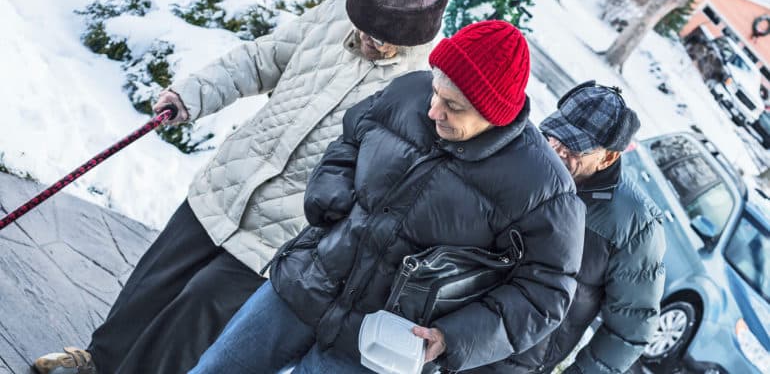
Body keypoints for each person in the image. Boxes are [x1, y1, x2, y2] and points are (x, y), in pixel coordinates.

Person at [32, 0, 448, 374]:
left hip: (287, 228)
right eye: (362, 28)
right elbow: (261, 58)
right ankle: (97, 362)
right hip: (231, 181)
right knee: (153, 283)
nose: (366, 41)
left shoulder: (418, 89)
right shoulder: (333, 17)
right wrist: (192, 95)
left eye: (381, 39)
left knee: (200, 309)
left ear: (413, 39)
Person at [189, 20, 586, 374]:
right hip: (303, 285)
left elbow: (547, 292)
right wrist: (330, 190)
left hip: (375, 347)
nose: (433, 110)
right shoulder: (407, 91)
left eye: (453, 106)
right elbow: (350, 139)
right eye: (436, 92)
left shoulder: (543, 189)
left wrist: (454, 338)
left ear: (494, 114)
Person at [464, 81, 667, 374]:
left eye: (574, 147)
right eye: (554, 135)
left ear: (608, 157)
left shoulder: (635, 226)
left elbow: (630, 329)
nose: (556, 150)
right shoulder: (526, 156)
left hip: (513, 364)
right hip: (448, 329)